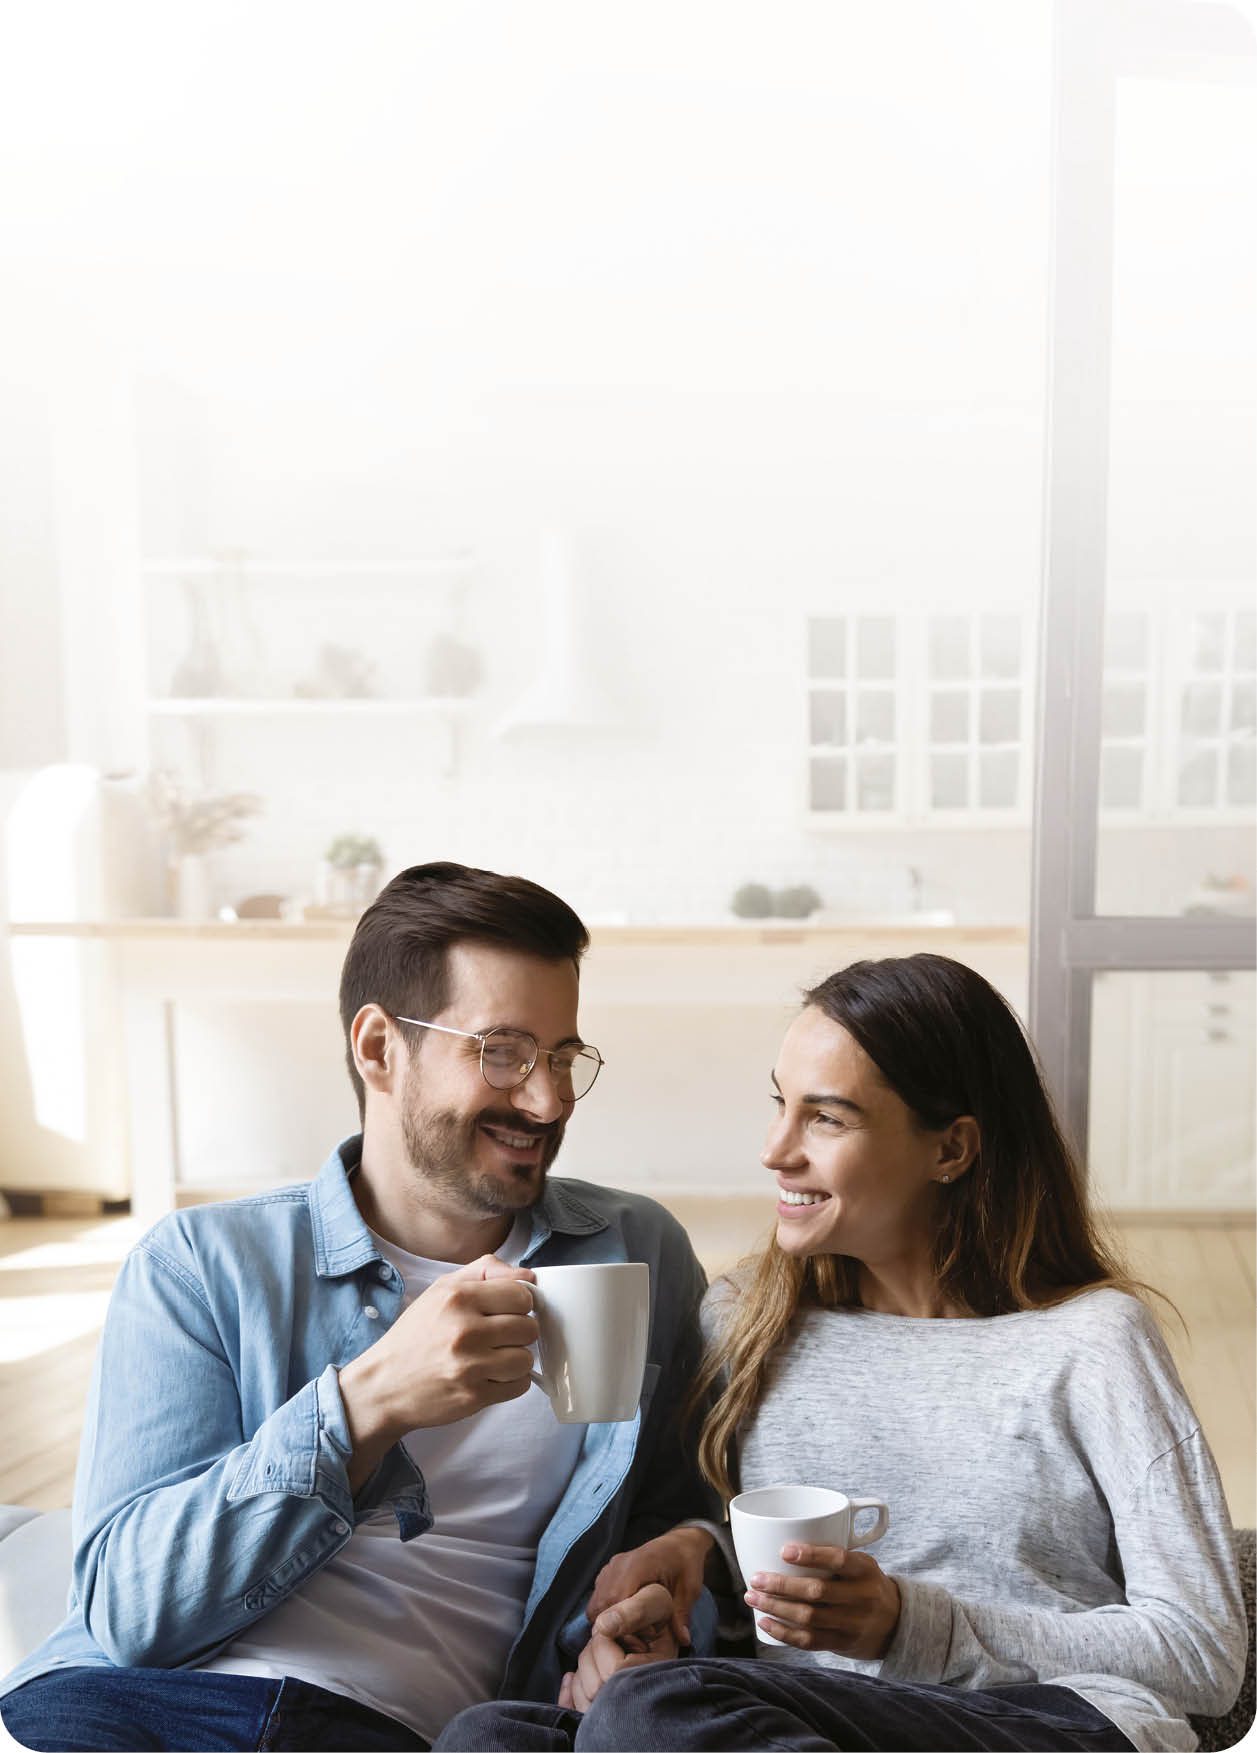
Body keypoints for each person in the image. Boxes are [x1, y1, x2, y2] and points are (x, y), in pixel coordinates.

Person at [438, 953, 1247, 1753]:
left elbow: (1204, 1655)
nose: (774, 1149)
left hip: (1055, 1723)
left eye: (825, 1117)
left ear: (950, 1149)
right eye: (779, 1104)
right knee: (490, 1735)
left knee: (651, 1711)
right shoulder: (749, 1321)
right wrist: (698, 1560)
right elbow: (754, 1611)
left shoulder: (1093, 1341)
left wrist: (909, 1622)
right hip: (809, 1719)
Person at [0, 861, 717, 1752]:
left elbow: (685, 1509)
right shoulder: (202, 1265)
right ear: (378, 1047)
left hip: (401, 1732)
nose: (549, 1099)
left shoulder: (632, 1247)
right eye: (502, 1053)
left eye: (565, 1056)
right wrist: (368, 1402)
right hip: (141, 1707)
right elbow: (130, 1611)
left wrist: (667, 1578)